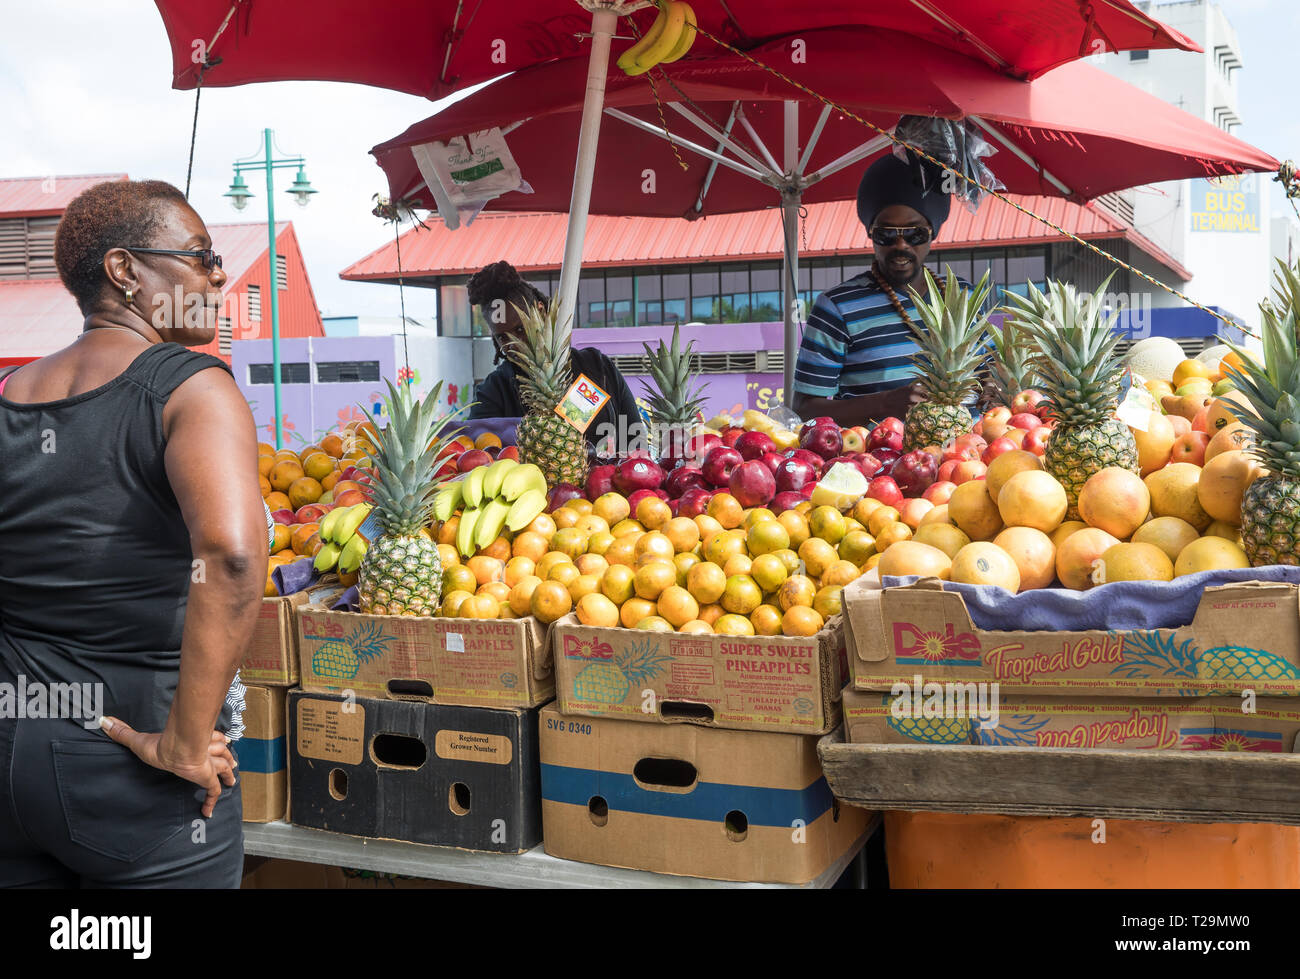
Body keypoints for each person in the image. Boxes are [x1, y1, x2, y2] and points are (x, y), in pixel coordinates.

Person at [0, 179, 265, 887]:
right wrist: (184, 739)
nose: (218, 274)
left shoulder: (10, 396)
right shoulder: (192, 387)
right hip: (130, 766)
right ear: (125, 271)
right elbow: (234, 557)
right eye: (201, 255)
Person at [792, 153, 992, 427]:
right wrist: (884, 404)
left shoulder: (964, 297)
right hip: (877, 464)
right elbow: (803, 410)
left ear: (933, 233)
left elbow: (988, 374)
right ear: (870, 232)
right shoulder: (837, 307)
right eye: (886, 234)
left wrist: (994, 388)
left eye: (915, 234)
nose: (901, 246)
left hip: (970, 458)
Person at [466, 261, 646, 455]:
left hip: (612, 482)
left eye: (520, 329)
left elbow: (635, 440)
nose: (515, 344)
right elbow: (479, 454)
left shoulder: (597, 367)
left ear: (541, 311)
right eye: (502, 337)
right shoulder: (494, 390)